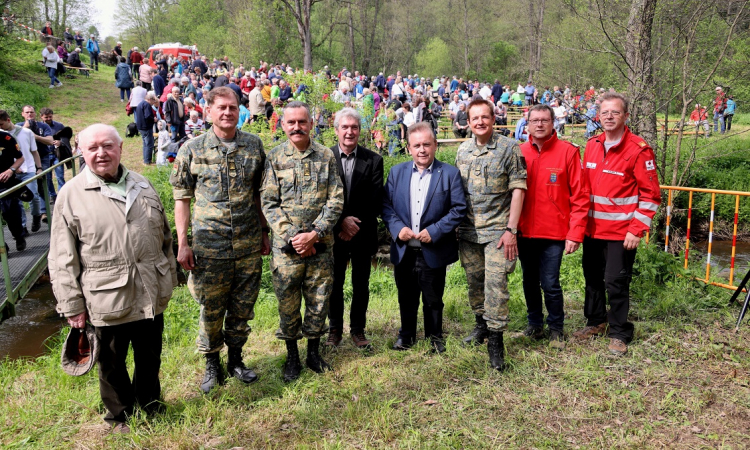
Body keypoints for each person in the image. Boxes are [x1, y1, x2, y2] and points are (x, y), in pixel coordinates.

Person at [50, 124, 177, 433]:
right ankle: (119, 416)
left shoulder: (142, 184)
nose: (101, 153)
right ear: (80, 152)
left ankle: (150, 403)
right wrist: (72, 305)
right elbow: (62, 256)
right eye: (92, 148)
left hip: (149, 291)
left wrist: (169, 277)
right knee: (111, 363)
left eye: (107, 146)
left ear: (120, 147)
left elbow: (164, 236)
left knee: (149, 358)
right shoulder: (70, 195)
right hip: (106, 298)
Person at [171, 86, 270, 393]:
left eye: (232, 107)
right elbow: (182, 198)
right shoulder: (193, 149)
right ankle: (212, 364)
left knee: (242, 308)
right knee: (211, 308)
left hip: (247, 243)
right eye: (221, 107)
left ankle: (237, 360)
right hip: (209, 246)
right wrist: (183, 243)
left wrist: (265, 231)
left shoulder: (254, 146)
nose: (228, 112)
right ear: (208, 110)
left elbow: (260, 194)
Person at [260, 101, 344, 382]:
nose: (297, 127)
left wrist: (315, 233)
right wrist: (293, 237)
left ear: (311, 124)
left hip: (320, 245)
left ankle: (313, 353)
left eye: (302, 122)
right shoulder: (274, 158)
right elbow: (269, 203)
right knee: (288, 302)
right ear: (283, 125)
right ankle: (292, 356)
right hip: (287, 251)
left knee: (319, 300)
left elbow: (336, 198)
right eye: (291, 122)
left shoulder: (326, 156)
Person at [575, 92, 661, 356]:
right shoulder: (592, 144)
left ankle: (620, 331)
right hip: (592, 230)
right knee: (592, 278)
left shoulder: (638, 149)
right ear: (598, 116)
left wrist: (637, 229)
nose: (609, 117)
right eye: (605, 113)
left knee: (615, 281)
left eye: (615, 112)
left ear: (625, 116)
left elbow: (651, 195)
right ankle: (596, 321)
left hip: (621, 233)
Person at [381, 122, 466, 353]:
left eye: (426, 144)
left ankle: (435, 338)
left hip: (434, 248)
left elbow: (458, 209)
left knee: (433, 298)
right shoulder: (397, 173)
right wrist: (398, 228)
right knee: (406, 296)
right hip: (405, 248)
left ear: (435, 145)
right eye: (416, 145)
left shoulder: (449, 173)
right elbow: (386, 206)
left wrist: (436, 231)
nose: (422, 150)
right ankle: (406, 336)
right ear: (408, 148)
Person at [455, 98, 527, 371]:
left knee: (495, 287)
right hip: (469, 231)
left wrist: (512, 230)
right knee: (474, 283)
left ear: (493, 119)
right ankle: (481, 326)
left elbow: (518, 189)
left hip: (499, 231)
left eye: (485, 117)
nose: (480, 122)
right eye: (475, 118)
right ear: (469, 121)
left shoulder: (509, 148)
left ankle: (496, 342)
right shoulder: (462, 151)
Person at [518, 104, 589, 348]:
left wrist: (575, 234)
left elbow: (580, 197)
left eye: (544, 120)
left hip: (554, 234)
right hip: (524, 232)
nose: (539, 124)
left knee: (549, 282)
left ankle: (556, 328)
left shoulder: (568, 152)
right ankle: (535, 324)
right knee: (529, 281)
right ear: (527, 124)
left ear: (552, 123)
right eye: (535, 120)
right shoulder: (518, 152)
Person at [323, 108, 383, 350]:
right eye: (345, 127)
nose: (350, 132)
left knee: (361, 284)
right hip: (333, 234)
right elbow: (320, 197)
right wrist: (339, 222)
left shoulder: (374, 159)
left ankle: (358, 330)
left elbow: (376, 200)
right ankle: (334, 329)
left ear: (360, 131)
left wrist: (352, 224)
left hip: (362, 232)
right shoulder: (325, 157)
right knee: (334, 284)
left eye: (354, 127)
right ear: (336, 130)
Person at [1, 110, 43, 234]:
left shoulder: (26, 132)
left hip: (28, 168)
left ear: (8, 120)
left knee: (33, 196)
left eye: (1, 124)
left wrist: (39, 168)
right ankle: (23, 226)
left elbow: (34, 151)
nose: (0, 127)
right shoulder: (1, 135)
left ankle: (36, 216)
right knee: (16, 201)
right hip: (12, 172)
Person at [0, 123, 27, 251]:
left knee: (11, 214)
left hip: (7, 184)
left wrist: (11, 170)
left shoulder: (6, 138)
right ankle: (2, 248)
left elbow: (20, 158)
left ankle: (19, 236)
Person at [39, 107, 66, 205]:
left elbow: (66, 137)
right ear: (41, 117)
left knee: (60, 176)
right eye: (46, 117)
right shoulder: (38, 127)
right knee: (48, 178)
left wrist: (60, 142)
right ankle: (52, 195)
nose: (49, 119)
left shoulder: (59, 125)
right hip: (45, 155)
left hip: (56, 154)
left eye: (50, 117)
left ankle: (63, 195)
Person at [135, 92, 158, 164]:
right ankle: (148, 161)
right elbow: (147, 116)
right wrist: (153, 119)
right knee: (149, 144)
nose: (154, 102)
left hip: (140, 127)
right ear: (150, 99)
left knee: (145, 144)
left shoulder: (140, 104)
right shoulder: (147, 105)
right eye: (153, 100)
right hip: (146, 127)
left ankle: (145, 159)